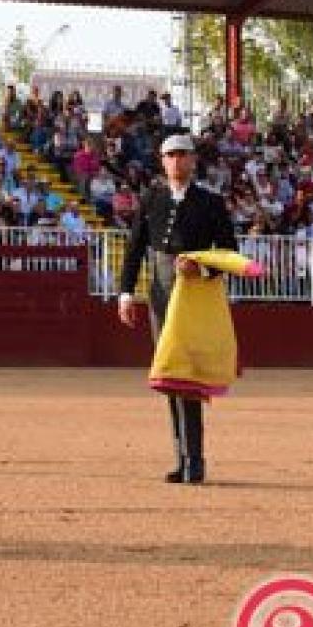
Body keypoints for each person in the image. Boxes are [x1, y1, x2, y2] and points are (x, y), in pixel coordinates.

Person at [116, 132, 237, 484]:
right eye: (171, 155)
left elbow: (229, 252)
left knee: (187, 376)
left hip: (193, 296)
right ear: (162, 160)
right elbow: (135, 247)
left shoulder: (210, 202)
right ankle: (183, 458)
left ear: (193, 160)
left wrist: (202, 268)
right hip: (159, 294)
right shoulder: (151, 198)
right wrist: (125, 293)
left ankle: (193, 459)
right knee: (170, 376)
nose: (177, 161)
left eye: (183, 155)